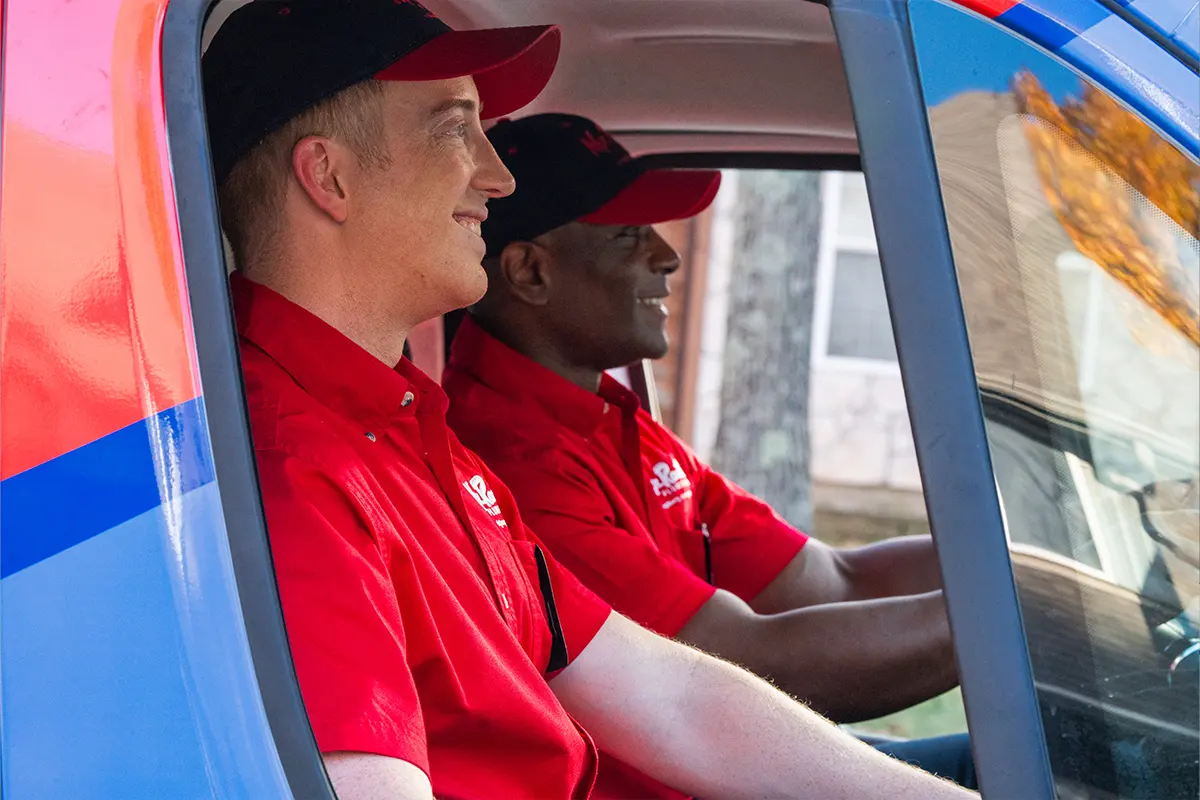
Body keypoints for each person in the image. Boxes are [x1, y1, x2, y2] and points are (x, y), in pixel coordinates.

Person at [205, 3, 977, 798]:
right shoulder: (284, 472)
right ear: (328, 177)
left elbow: (676, 699)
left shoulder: (410, 432)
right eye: (452, 128)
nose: (496, 178)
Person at [443, 113, 976, 795]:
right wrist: (1014, 623)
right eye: (630, 237)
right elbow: (745, 664)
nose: (666, 256)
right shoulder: (510, 464)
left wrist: (1019, 576)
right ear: (530, 271)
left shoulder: (608, 419)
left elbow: (834, 579)